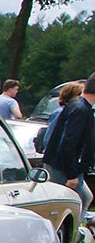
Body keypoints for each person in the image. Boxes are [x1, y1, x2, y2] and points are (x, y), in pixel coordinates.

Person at [43, 75, 95, 215]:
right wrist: (72, 175)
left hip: (63, 165)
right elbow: (68, 143)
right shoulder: (82, 110)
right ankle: (69, 234)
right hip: (63, 168)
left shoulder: (77, 105)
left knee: (85, 197)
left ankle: (75, 231)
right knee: (65, 207)